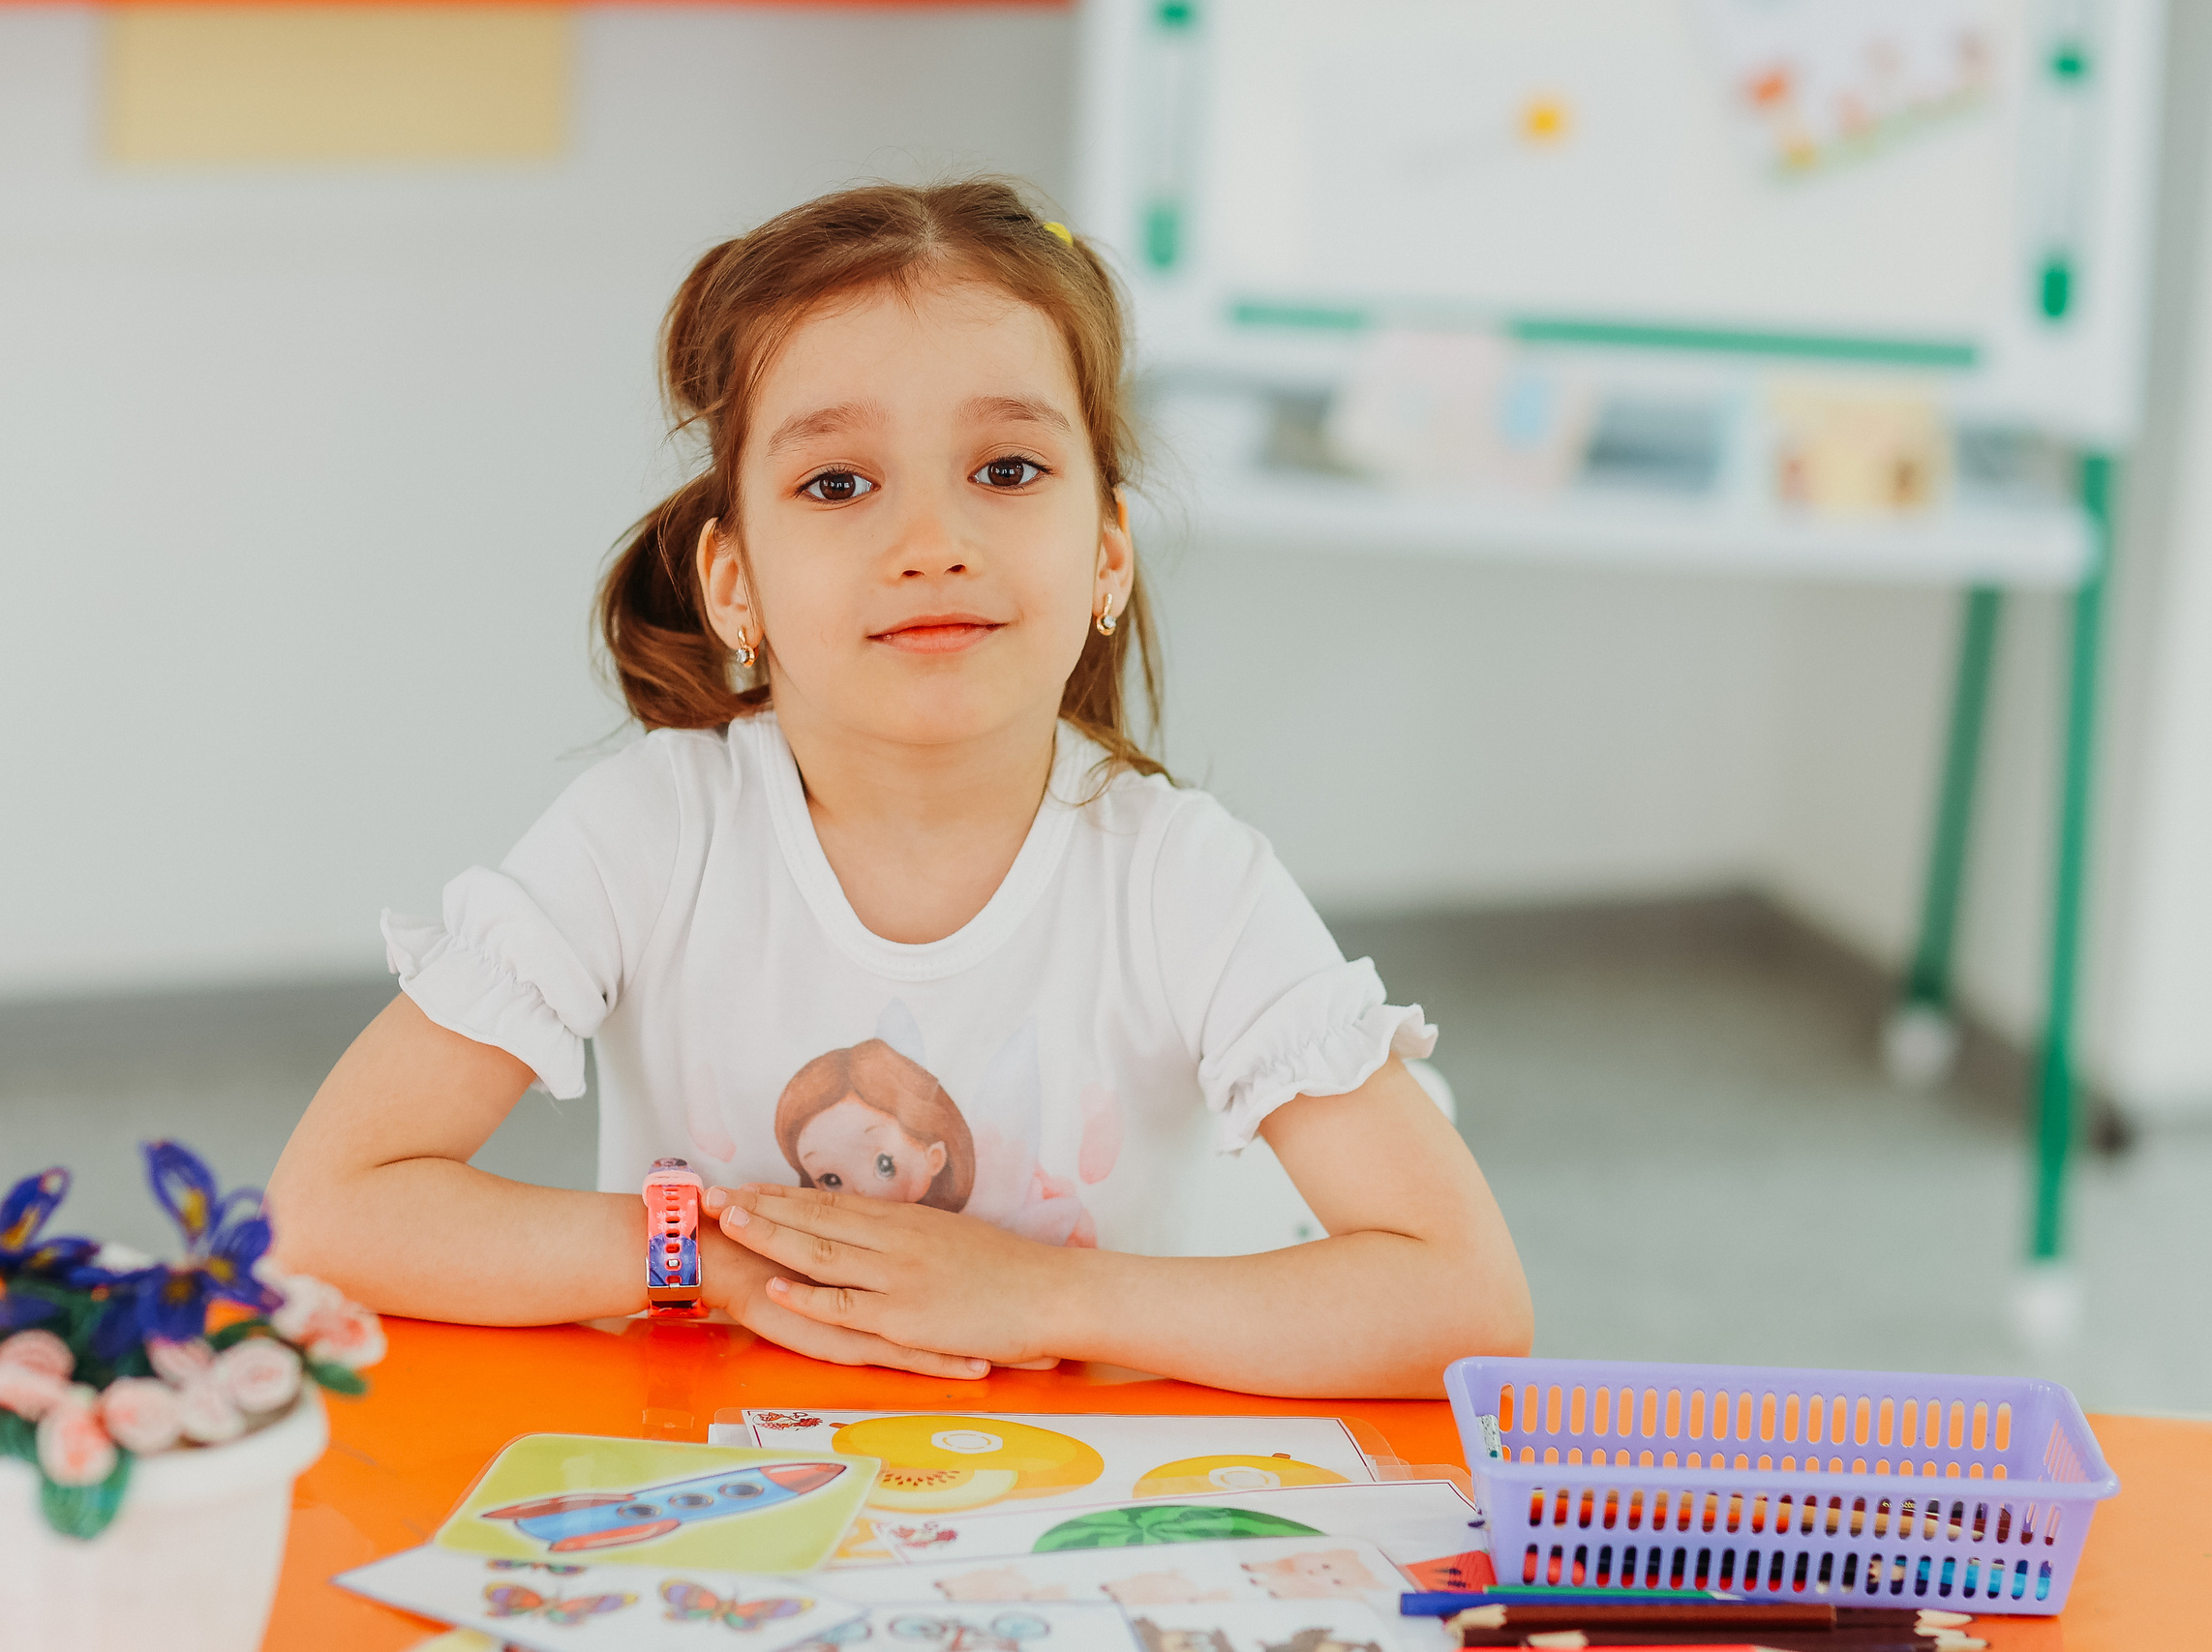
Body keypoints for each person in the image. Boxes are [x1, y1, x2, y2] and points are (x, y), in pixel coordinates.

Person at [267, 179, 1530, 1395]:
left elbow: (1464, 1298)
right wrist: (718, 1268)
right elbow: (328, 1210)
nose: (933, 544)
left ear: (1108, 557)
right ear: (735, 585)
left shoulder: (1185, 879)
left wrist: (1044, 1297)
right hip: (711, 1485)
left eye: (1008, 470)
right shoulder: (647, 834)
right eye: (837, 483)